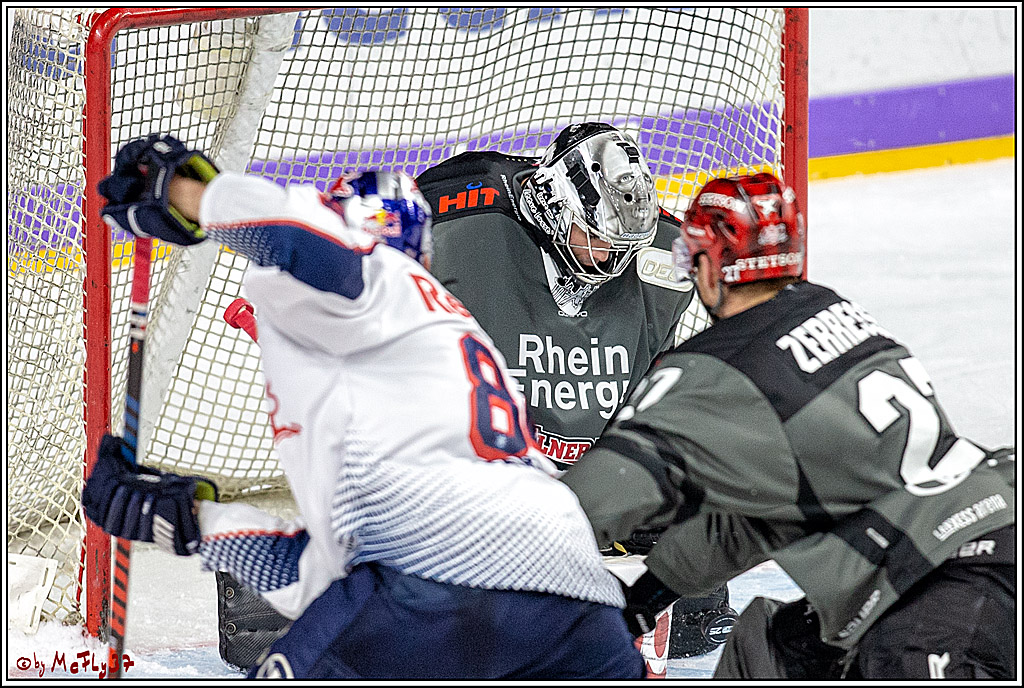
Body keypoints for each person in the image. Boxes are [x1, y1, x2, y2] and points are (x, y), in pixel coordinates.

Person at [82, 134, 645, 679]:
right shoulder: (437, 345)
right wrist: (185, 522)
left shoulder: (380, 280)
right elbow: (317, 570)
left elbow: (301, 237)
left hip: (427, 585)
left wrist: (186, 193)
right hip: (579, 601)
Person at [560, 171, 1017, 679]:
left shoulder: (715, 371)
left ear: (711, 267)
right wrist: (644, 600)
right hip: (997, 522)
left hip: (945, 591)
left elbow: (597, 498)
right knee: (764, 652)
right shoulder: (831, 307)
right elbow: (761, 517)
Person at [415, 121, 735, 670]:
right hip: (481, 473)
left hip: (595, 478)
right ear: (556, 210)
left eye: (623, 244)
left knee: (695, 572)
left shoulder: (664, 257)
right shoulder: (460, 223)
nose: (611, 255)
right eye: (597, 236)